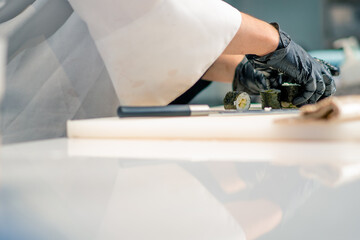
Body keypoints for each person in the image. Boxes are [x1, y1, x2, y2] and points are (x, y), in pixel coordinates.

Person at [0, 0, 336, 143]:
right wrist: (274, 42)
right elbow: (146, 11)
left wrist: (243, 71)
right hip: (22, 121)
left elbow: (150, 38)